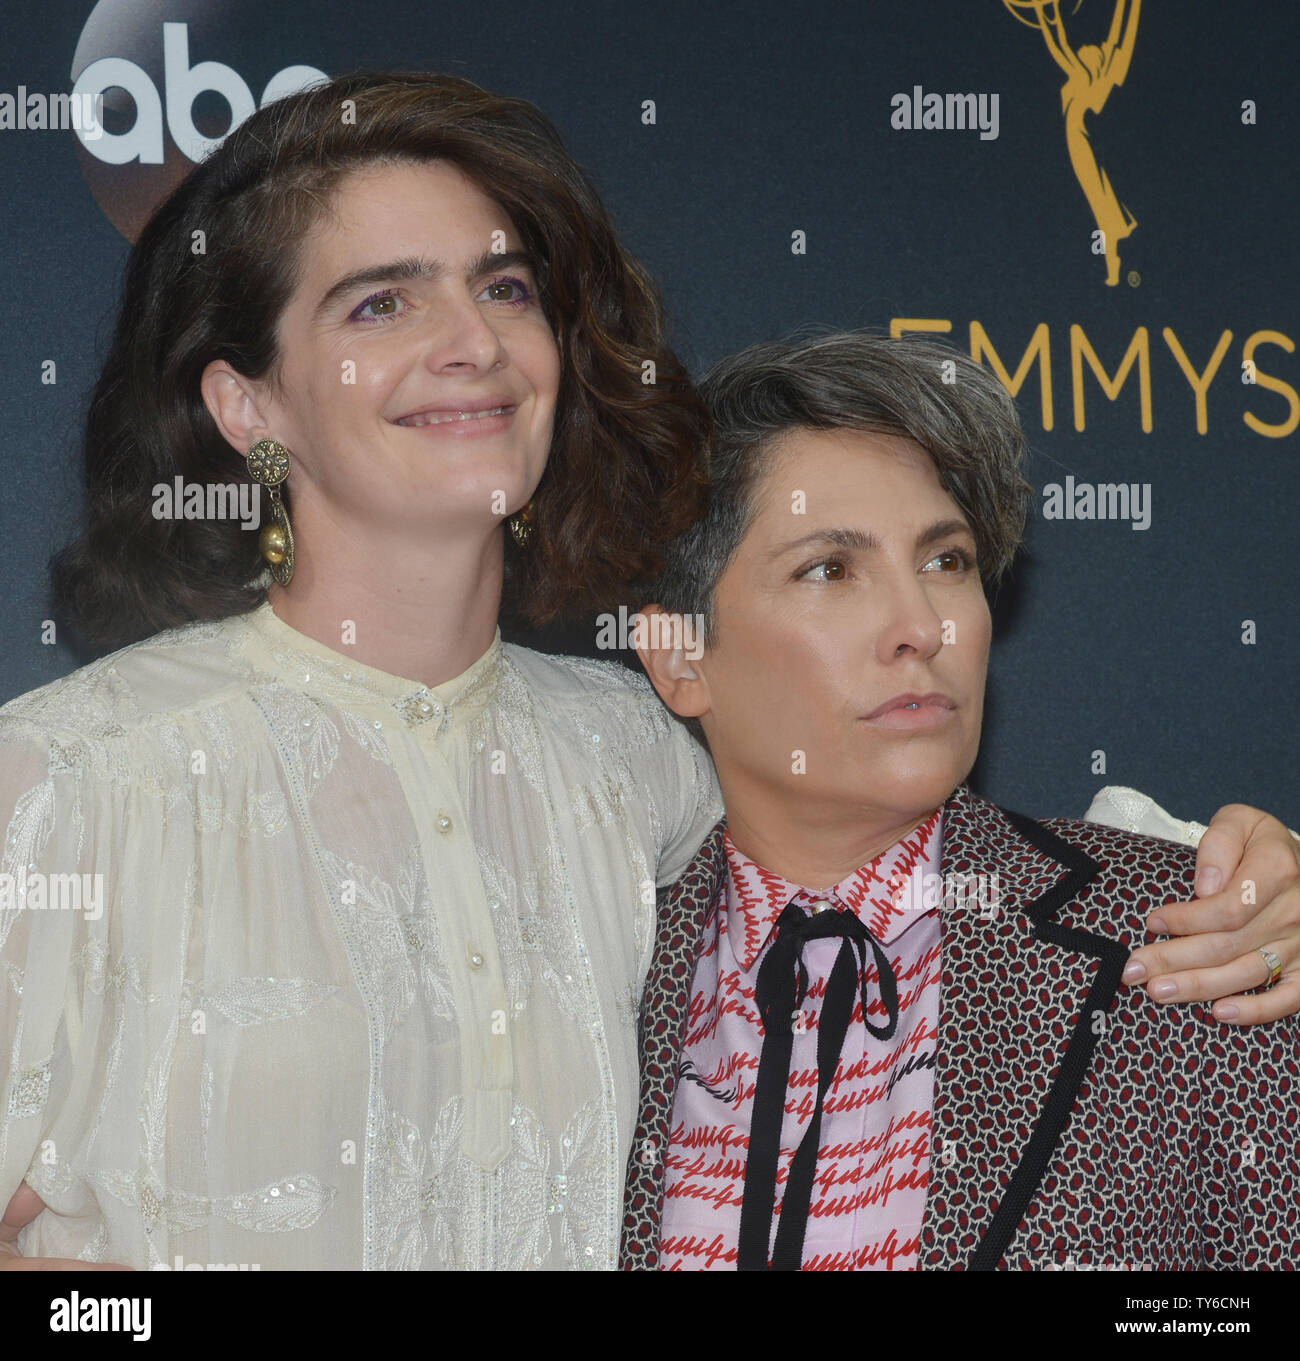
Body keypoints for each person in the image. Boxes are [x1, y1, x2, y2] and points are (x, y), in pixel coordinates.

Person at [0, 73, 1295, 1273]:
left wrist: (1230, 865)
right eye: (381, 301)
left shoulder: (617, 756)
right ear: (247, 406)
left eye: (505, 289)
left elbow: (863, 817)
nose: (472, 342)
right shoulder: (67, 783)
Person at [623, 332, 1300, 1269]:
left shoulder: (1190, 934)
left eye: (945, 560)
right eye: (831, 568)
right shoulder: (597, 979)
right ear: (679, 657)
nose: (920, 626)